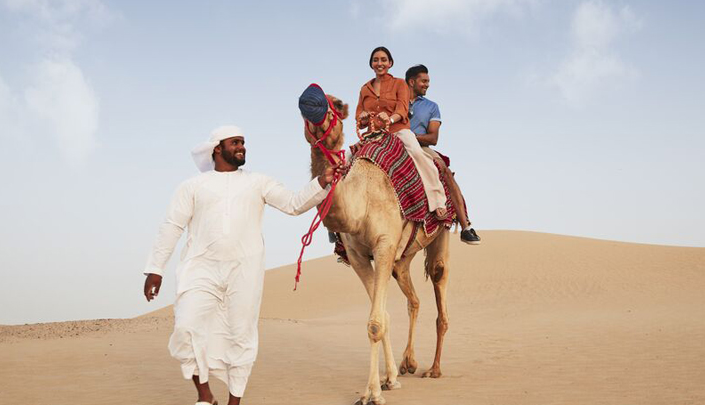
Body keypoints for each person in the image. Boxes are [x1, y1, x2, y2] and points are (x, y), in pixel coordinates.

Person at [142, 125, 343, 405]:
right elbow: (172, 226)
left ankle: (234, 402)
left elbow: (293, 204)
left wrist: (321, 181)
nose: (242, 147)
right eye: (235, 142)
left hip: (244, 270)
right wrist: (156, 268)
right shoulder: (192, 186)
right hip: (201, 267)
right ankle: (204, 395)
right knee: (187, 326)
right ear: (217, 148)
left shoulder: (258, 182)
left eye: (243, 143)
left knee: (241, 335)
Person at [355, 46, 448, 219]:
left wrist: (388, 120)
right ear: (371, 64)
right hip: (374, 135)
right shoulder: (364, 89)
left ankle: (437, 201)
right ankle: (338, 213)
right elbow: (359, 121)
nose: (379, 63)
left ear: (390, 63)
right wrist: (364, 117)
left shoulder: (399, 84)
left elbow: (402, 110)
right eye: (376, 60)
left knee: (418, 155)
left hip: (398, 131)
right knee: (347, 160)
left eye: (383, 60)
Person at [405, 64, 481, 245]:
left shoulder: (432, 107)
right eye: (424, 81)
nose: (427, 85)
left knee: (444, 170)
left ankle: (465, 226)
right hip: (394, 143)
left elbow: (433, 137)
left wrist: (412, 137)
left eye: (428, 81)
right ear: (412, 81)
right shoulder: (397, 99)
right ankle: (341, 236)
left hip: (419, 146)